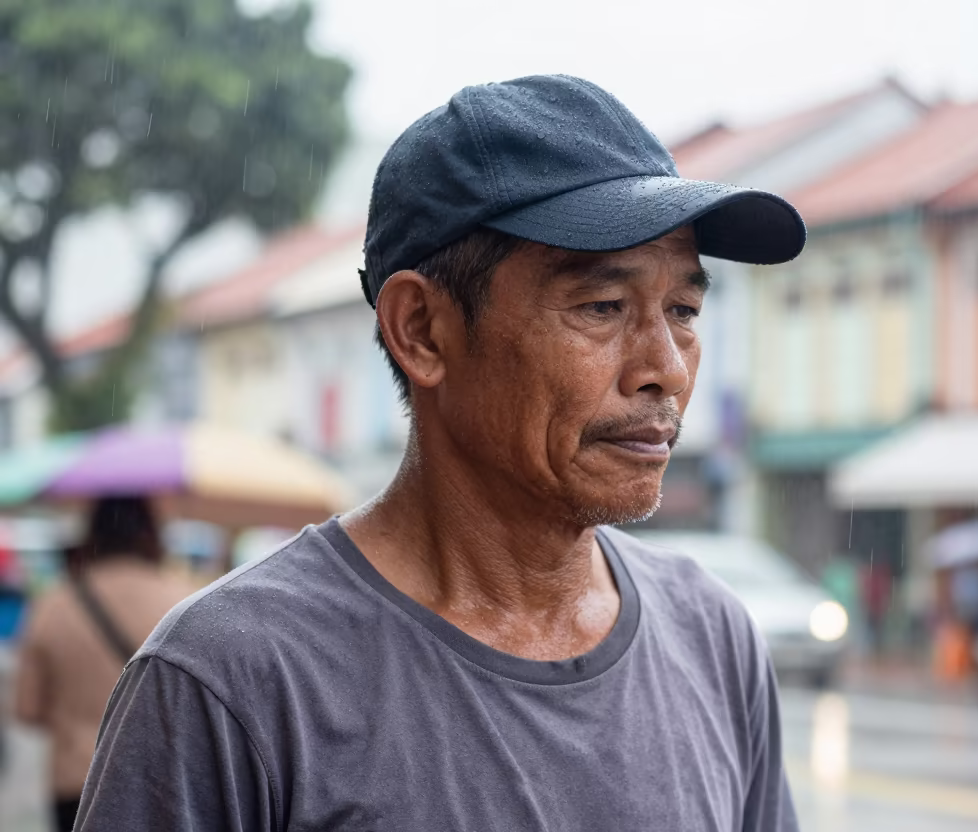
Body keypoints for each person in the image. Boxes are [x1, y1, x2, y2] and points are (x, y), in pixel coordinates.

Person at [74, 75, 807, 830]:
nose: (669, 368)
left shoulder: (712, 637)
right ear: (421, 330)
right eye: (603, 307)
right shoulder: (234, 679)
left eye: (683, 310)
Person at [14, 496, 196, 832]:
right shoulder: (183, 602)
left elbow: (27, 709)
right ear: (151, 534)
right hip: (160, 784)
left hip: (76, 784)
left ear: (91, 535)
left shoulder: (54, 605)